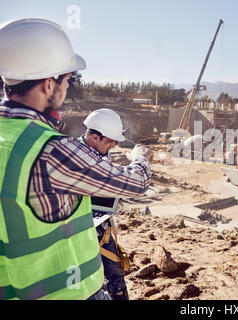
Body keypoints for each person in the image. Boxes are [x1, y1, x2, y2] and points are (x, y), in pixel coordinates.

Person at [0, 19, 152, 300]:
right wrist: (140, 158)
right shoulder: (54, 151)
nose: (68, 87)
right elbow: (138, 182)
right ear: (48, 83)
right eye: (67, 80)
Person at [80, 108, 130, 300]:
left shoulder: (101, 152)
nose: (114, 145)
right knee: (90, 281)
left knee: (115, 274)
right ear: (94, 137)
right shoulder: (75, 158)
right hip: (79, 232)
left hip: (101, 226)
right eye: (110, 141)